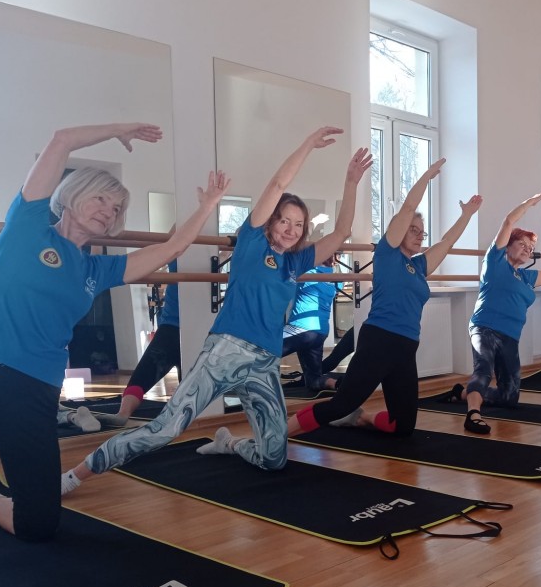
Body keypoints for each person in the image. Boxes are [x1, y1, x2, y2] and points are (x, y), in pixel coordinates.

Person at [0, 122, 226, 540]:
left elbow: (172, 248)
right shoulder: (27, 225)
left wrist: (208, 205)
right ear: (73, 195)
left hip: (32, 392)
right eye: (101, 198)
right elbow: (61, 140)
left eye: (116, 208)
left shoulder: (98, 269)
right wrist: (120, 129)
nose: (108, 211)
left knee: (39, 525)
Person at [60, 129, 371, 494]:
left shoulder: (295, 262)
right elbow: (278, 183)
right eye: (284, 220)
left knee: (274, 457)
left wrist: (351, 181)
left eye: (298, 224)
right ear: (271, 221)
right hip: (225, 352)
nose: (291, 229)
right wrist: (307, 145)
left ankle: (230, 443)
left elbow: (341, 231)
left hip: (264, 363)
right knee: (165, 429)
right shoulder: (252, 241)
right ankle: (75, 474)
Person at [288, 158, 480, 439]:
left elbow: (447, 242)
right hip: (379, 339)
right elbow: (408, 207)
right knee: (342, 403)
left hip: (406, 347)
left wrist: (467, 214)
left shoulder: (419, 266)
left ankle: (360, 419)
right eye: (413, 230)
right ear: (398, 230)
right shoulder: (387, 254)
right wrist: (426, 177)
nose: (419, 236)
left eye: (422, 232)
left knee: (403, 426)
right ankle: (279, 434)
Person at [448, 192, 541, 435]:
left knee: (509, 397)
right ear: (508, 245)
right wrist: (529, 203)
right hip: (484, 327)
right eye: (522, 244)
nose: (527, 250)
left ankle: (463, 393)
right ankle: (473, 414)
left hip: (510, 337)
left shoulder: (525, 277)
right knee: (483, 370)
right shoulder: (495, 262)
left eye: (530, 248)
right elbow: (508, 222)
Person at [101, 258, 182, 426]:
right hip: (174, 328)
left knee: (144, 378)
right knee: (143, 376)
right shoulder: (183, 251)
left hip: (181, 328)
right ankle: (123, 413)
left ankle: (123, 413)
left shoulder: (187, 252)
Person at [281, 256, 341, 392]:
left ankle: (253, 383)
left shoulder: (307, 272)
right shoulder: (336, 277)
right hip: (320, 332)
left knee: (263, 350)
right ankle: (334, 383)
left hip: (301, 329)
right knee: (314, 380)